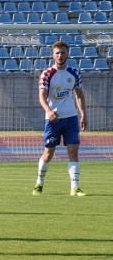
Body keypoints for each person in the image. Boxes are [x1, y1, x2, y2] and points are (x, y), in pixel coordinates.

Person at [32, 40, 87, 197]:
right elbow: (42, 96)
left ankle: (75, 188)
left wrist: (83, 114)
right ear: (53, 55)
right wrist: (48, 111)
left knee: (73, 151)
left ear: (67, 54)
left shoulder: (74, 73)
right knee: (48, 153)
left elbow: (79, 94)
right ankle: (39, 183)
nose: (60, 55)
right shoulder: (47, 74)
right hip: (53, 120)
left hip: (70, 118)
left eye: (63, 52)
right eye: (57, 53)